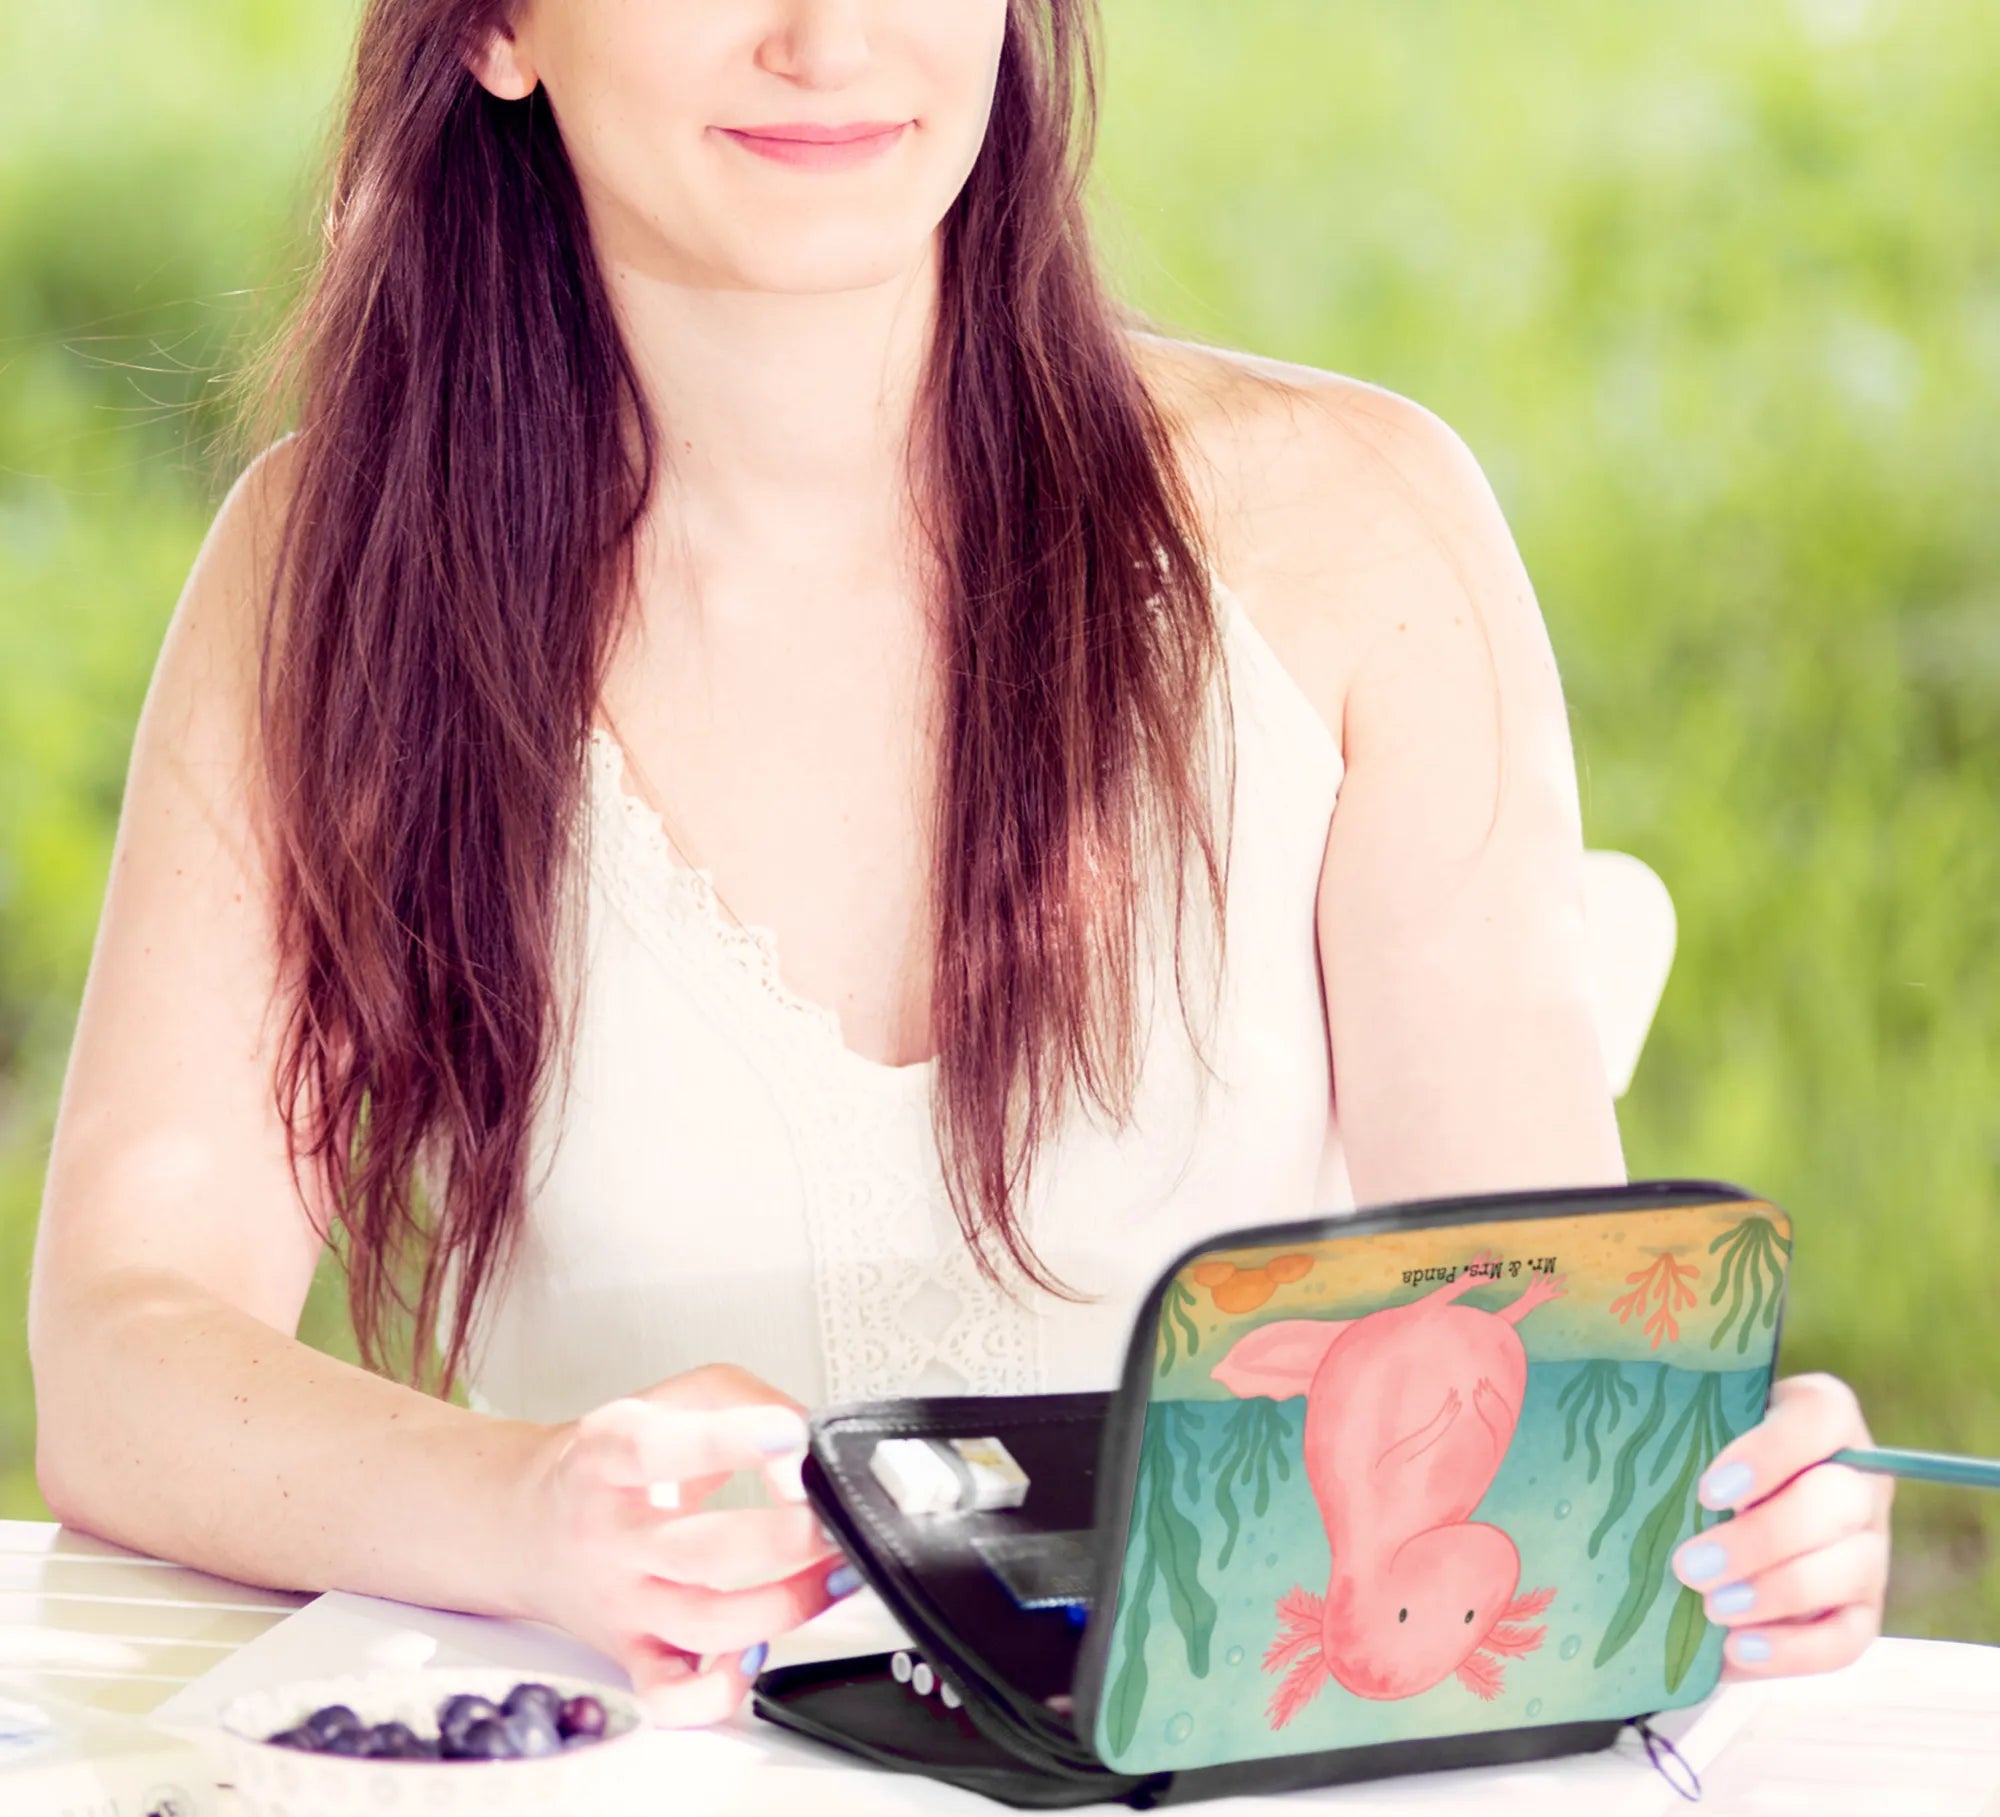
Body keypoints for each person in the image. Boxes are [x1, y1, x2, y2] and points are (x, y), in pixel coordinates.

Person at [26, 0, 1890, 1728]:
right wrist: (523, 1507)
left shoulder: (1354, 538)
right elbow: (122, 1360)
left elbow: (1545, 1362)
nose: (828, 39)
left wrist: (1723, 1509)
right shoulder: (341, 573)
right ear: (497, 27)